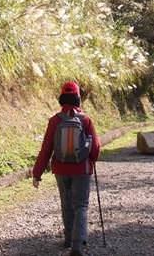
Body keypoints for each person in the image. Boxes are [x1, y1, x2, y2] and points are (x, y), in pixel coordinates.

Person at [31, 81, 101, 256]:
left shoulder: (55, 121)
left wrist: (37, 173)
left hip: (61, 169)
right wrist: (91, 159)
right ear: (78, 98)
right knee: (81, 206)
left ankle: (68, 238)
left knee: (66, 203)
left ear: (61, 97)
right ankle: (77, 246)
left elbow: (46, 148)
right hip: (82, 169)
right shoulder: (86, 120)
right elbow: (96, 147)